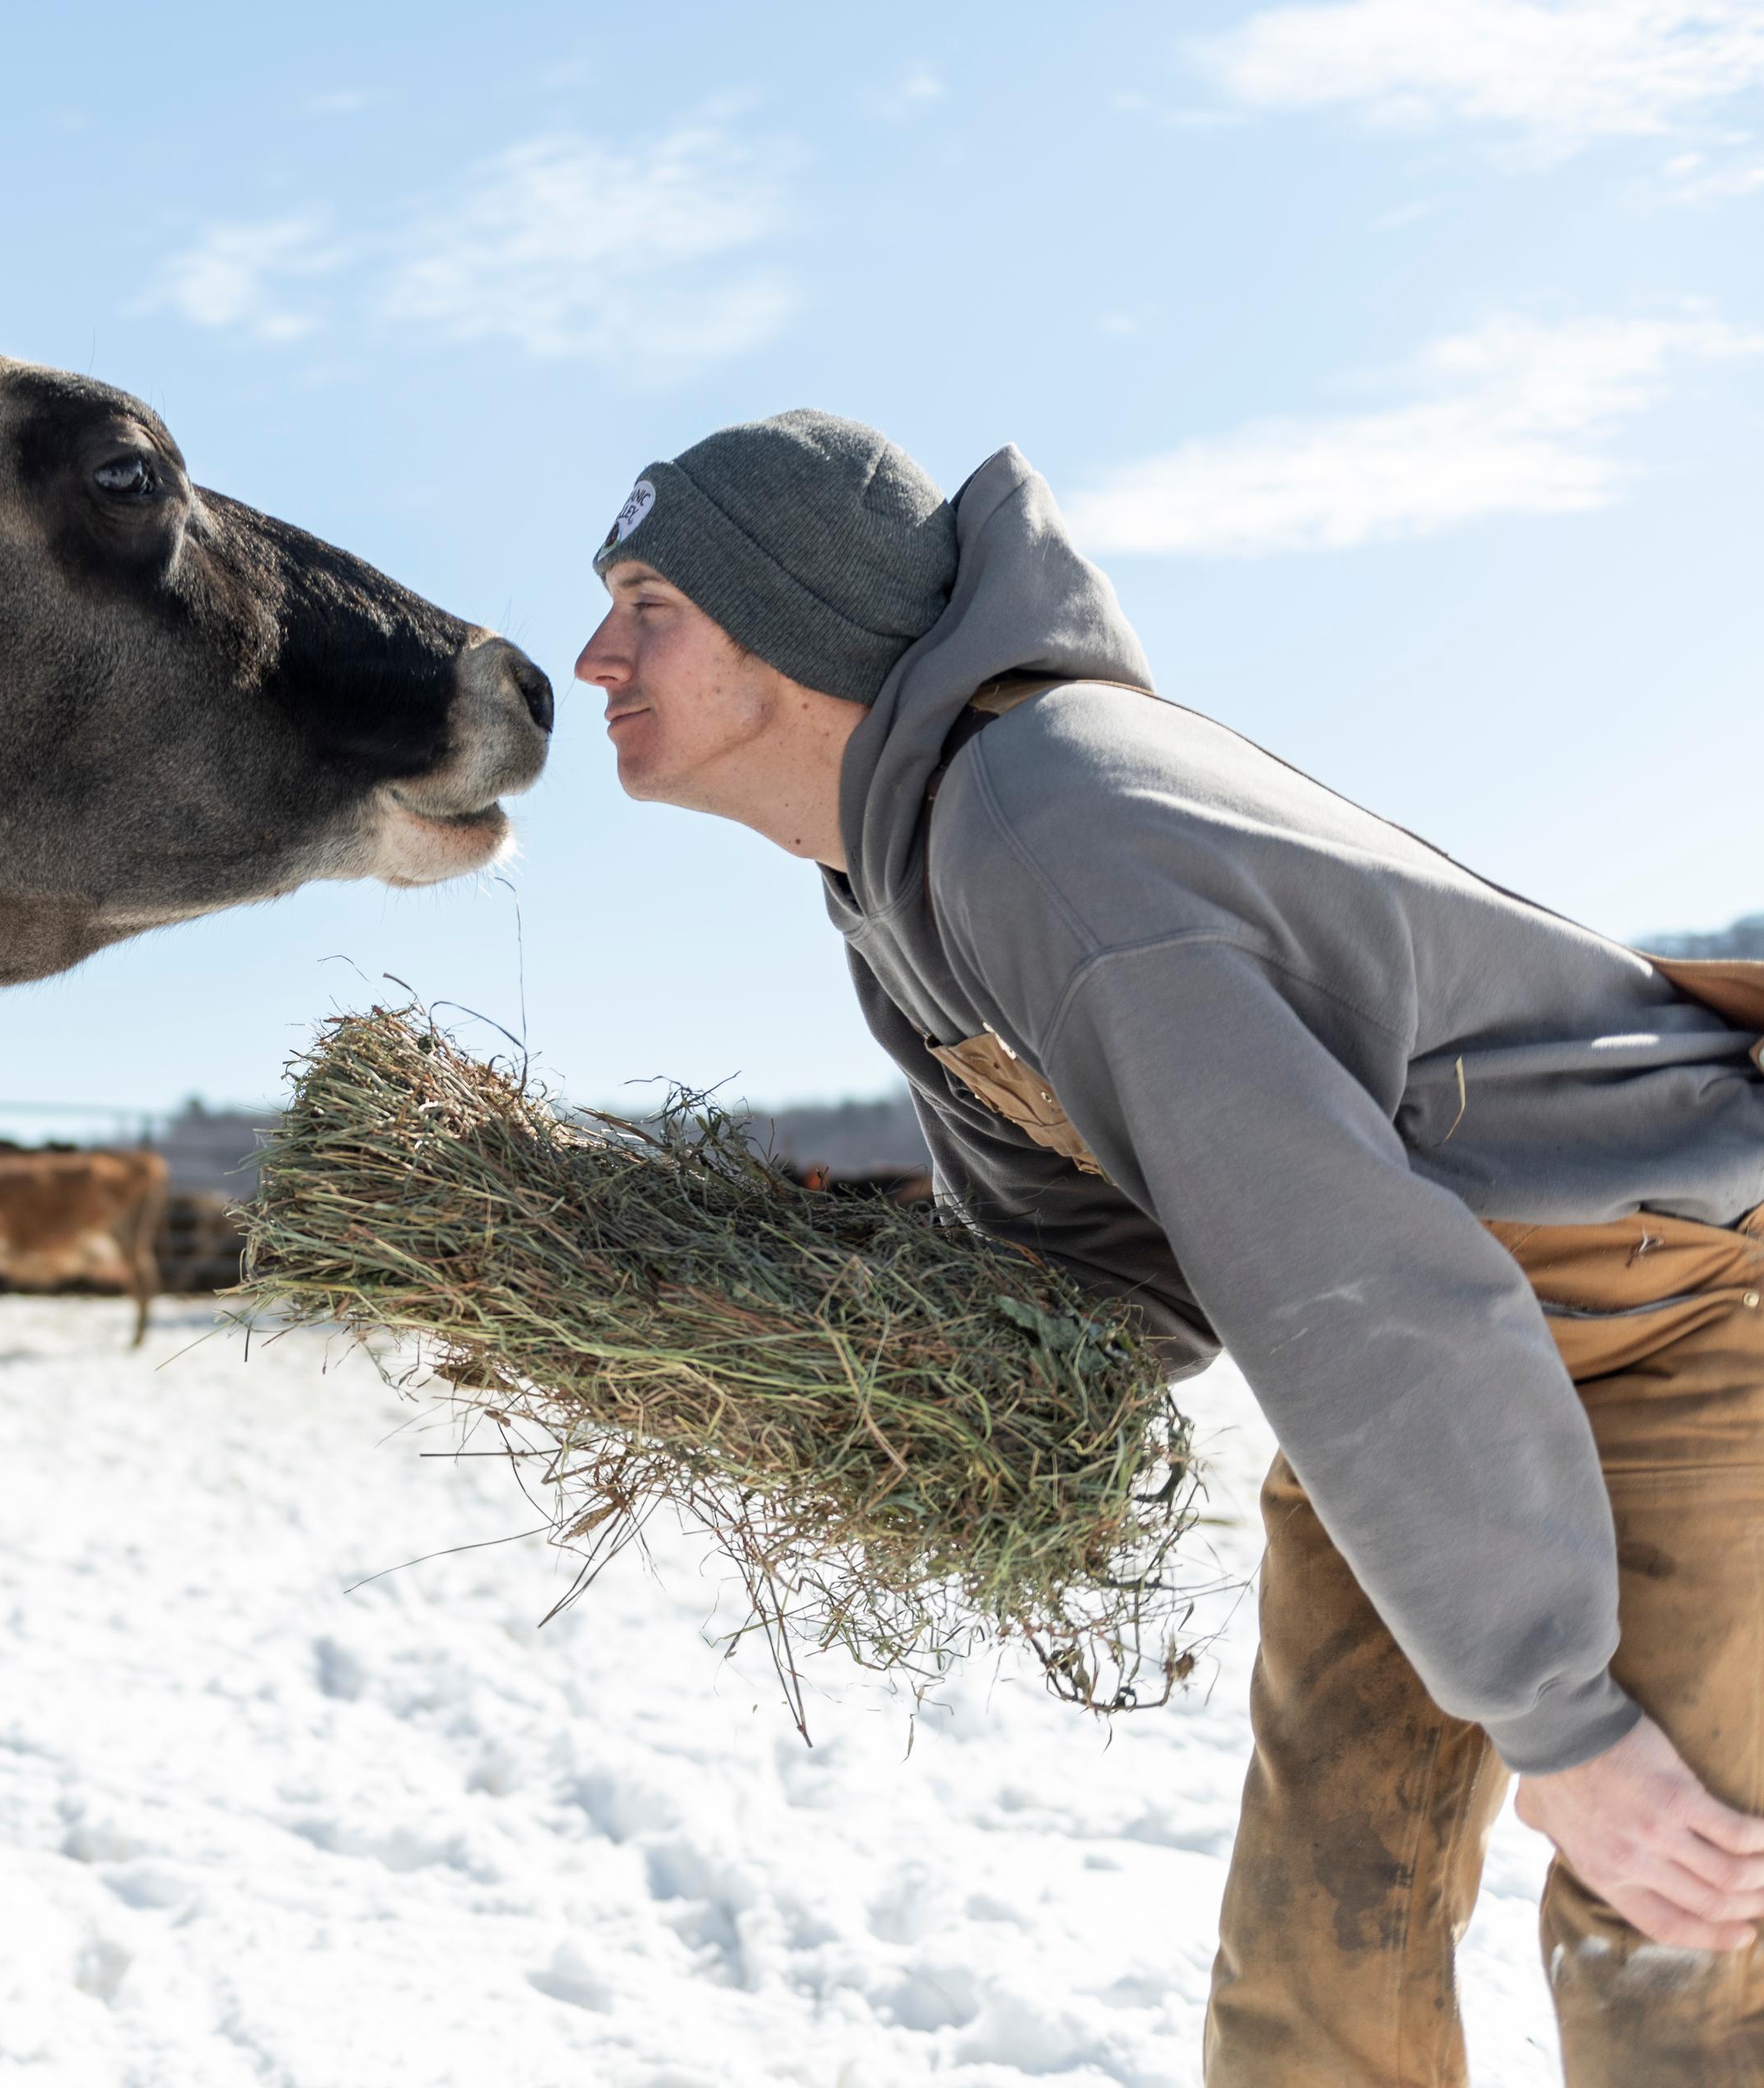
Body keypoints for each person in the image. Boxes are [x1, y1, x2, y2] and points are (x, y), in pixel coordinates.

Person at [573, 410, 1764, 2083]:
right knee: (1322, 1923)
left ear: (795, 623)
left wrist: (1560, 1717)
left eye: (650, 602)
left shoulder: (1051, 827)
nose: (594, 653)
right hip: (1425, 1374)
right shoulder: (897, 880)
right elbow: (1099, 1267)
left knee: (1666, 1923)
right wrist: (789, 1355)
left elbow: (1345, 1275)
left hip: (1680, 1296)